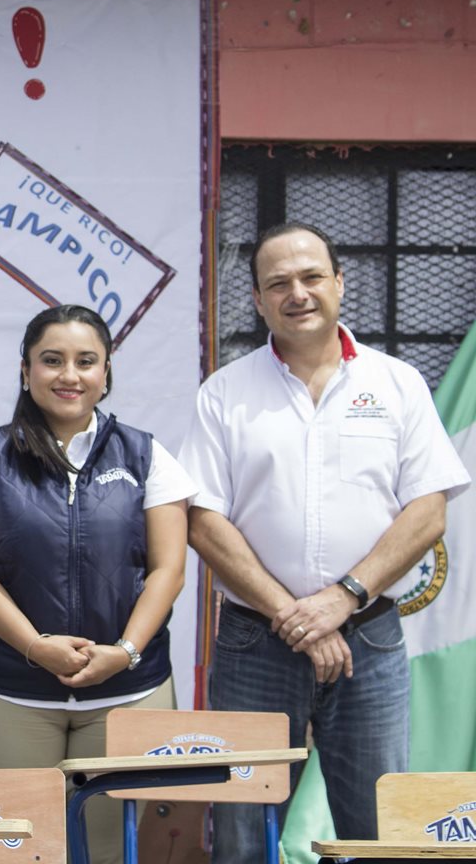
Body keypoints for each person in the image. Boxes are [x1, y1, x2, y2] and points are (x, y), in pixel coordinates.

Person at [178, 222, 471, 860]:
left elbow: (427, 513)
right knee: (242, 834)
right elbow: (203, 520)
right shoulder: (225, 394)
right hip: (257, 639)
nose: (298, 293)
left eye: (312, 277)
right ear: (257, 300)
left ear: (340, 282)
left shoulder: (397, 384)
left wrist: (341, 599)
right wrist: (294, 615)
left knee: (375, 830)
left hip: (369, 632)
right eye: (278, 283)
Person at [0, 303, 195, 864]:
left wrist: (124, 653)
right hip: (8, 693)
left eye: (86, 361)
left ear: (107, 373)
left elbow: (168, 570)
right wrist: (36, 647)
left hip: (129, 692)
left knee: (112, 852)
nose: (69, 375)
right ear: (26, 371)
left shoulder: (149, 456)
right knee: (16, 851)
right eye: (51, 360)